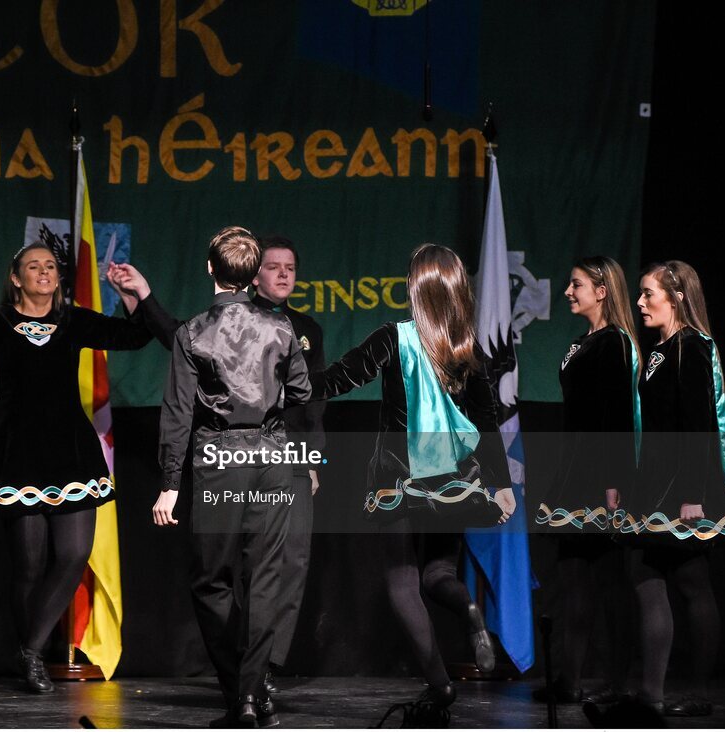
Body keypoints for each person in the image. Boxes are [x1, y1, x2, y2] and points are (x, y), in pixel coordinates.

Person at [310, 244, 516, 721]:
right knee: (439, 574)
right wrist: (501, 484)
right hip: (456, 480)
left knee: (401, 582)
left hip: (399, 480)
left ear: (415, 288)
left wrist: (282, 384)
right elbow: (487, 420)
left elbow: (339, 378)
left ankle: (440, 685)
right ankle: (468, 610)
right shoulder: (468, 348)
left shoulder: (394, 337)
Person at [0, 243, 154, 693]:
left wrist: (132, 295)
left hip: (70, 452)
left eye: (50, 266)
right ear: (15, 278)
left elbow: (135, 336)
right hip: (17, 453)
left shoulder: (72, 319)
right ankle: (33, 655)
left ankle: (29, 650)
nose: (44, 272)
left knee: (74, 554)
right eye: (33, 266)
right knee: (29, 565)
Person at [145, 226, 311, 727]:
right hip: (271, 461)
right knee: (264, 580)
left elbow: (178, 413)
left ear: (210, 269)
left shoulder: (192, 333)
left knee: (211, 581)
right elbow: (301, 393)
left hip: (220, 461)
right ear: (254, 273)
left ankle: (240, 691)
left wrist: (169, 485)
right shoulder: (281, 329)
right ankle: (250, 692)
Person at [621, 260, 725, 716]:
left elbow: (699, 425)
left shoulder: (692, 346)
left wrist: (693, 494)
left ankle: (694, 693)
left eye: (648, 293)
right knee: (655, 575)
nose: (640, 302)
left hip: (682, 488)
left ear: (677, 298)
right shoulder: (662, 349)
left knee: (688, 581)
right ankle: (652, 692)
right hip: (655, 485)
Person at [532, 256, 639, 704]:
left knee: (609, 579)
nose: (567, 292)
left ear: (601, 290)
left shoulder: (615, 342)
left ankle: (621, 682)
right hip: (573, 470)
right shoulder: (581, 343)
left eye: (575, 284)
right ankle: (570, 680)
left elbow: (617, 416)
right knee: (572, 575)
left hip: (599, 474)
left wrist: (613, 482)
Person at [250, 236, 325, 692]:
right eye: (273, 266)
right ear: (254, 273)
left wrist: (313, 455)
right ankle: (245, 658)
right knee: (249, 560)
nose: (282, 274)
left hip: (294, 453)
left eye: (290, 268)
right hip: (241, 454)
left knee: (294, 557)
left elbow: (314, 399)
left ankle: (268, 665)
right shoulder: (234, 319)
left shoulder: (308, 328)